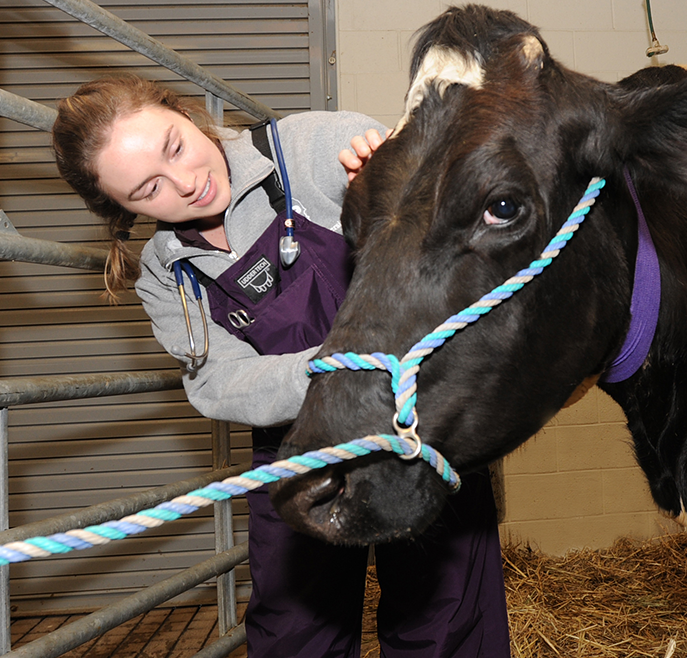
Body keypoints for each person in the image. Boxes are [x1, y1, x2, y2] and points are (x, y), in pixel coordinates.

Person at [52, 75, 511, 658]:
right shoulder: (167, 275)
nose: (187, 182)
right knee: (296, 633)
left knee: (446, 621)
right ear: (120, 209)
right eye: (148, 190)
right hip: (298, 451)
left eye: (174, 146)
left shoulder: (311, 150)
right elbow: (218, 383)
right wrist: (338, 371)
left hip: (420, 427)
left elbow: (450, 235)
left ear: (184, 114)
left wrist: (390, 189)